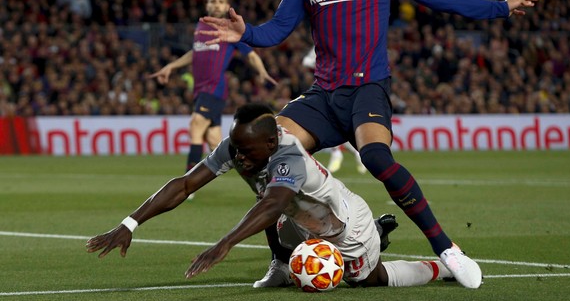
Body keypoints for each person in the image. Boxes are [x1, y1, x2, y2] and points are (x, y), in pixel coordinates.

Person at [199, 0, 540, 289]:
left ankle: (447, 249)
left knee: (378, 158)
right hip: (323, 96)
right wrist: (247, 33)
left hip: (367, 90)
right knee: (266, 152)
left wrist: (499, 6)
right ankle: (280, 260)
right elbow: (277, 29)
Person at [86, 103, 454, 289]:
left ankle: (441, 267)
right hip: (302, 219)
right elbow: (184, 184)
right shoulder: (238, 146)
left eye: (247, 151)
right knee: (271, 208)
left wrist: (224, 244)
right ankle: (281, 264)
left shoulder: (289, 154)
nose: (240, 158)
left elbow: (274, 202)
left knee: (366, 281)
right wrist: (130, 222)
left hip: (346, 227)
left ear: (271, 141)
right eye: (237, 149)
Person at [148, 0, 278, 176]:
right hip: (200, 90)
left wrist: (262, 71)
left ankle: (188, 181)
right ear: (207, 4)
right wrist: (171, 66)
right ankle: (261, 174)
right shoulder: (201, 26)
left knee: (196, 125)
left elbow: (249, 54)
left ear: (226, 6)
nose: (216, 5)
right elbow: (196, 52)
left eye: (220, 1)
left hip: (214, 88)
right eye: (212, 1)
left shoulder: (229, 29)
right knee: (215, 142)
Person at [303, 46, 365, 174]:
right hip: (323, 88)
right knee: (329, 123)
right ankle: (342, 153)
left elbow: (358, 70)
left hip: (341, 89)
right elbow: (306, 62)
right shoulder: (320, 45)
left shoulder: (347, 49)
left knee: (338, 124)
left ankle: (344, 153)